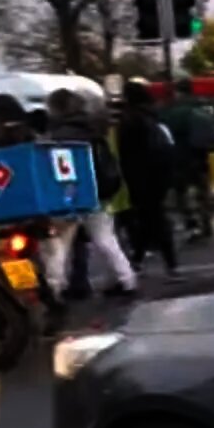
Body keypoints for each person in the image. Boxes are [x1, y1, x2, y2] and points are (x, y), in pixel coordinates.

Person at [41, 89, 138, 303]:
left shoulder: (58, 136)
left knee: (59, 246)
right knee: (106, 240)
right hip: (98, 194)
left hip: (69, 196)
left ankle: (54, 289)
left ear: (57, 109)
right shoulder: (93, 130)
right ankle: (127, 279)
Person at [116, 81, 181, 281]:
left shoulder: (129, 121)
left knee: (145, 220)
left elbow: (124, 154)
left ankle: (135, 266)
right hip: (159, 176)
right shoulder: (154, 118)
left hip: (139, 178)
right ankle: (153, 262)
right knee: (152, 219)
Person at [162, 77, 214, 241]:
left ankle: (191, 224)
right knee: (203, 192)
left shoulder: (173, 112)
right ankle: (206, 223)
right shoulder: (202, 109)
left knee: (181, 194)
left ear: (178, 92)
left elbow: (165, 134)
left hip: (181, 158)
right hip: (201, 158)